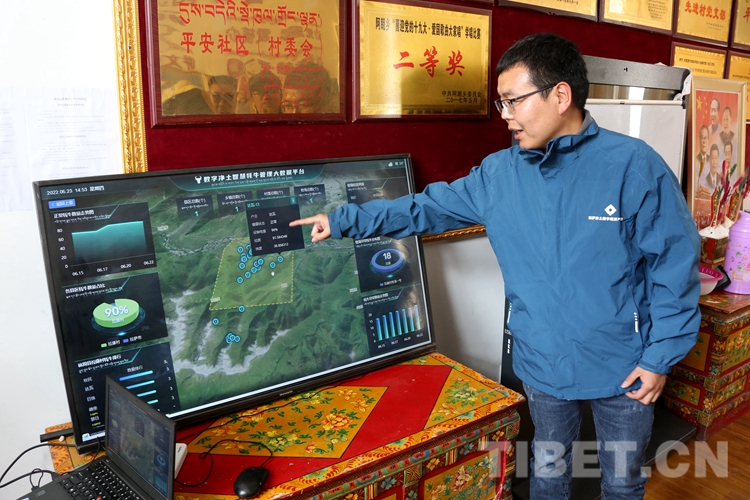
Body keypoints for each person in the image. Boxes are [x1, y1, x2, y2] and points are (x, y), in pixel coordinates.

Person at [290, 33, 700, 500]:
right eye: (500, 102)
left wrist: (658, 358)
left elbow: (674, 264)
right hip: (542, 360)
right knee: (548, 471)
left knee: (623, 480)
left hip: (625, 365)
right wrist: (342, 220)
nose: (504, 115)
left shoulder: (632, 166)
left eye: (513, 100)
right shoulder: (499, 174)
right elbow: (425, 207)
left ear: (560, 95)